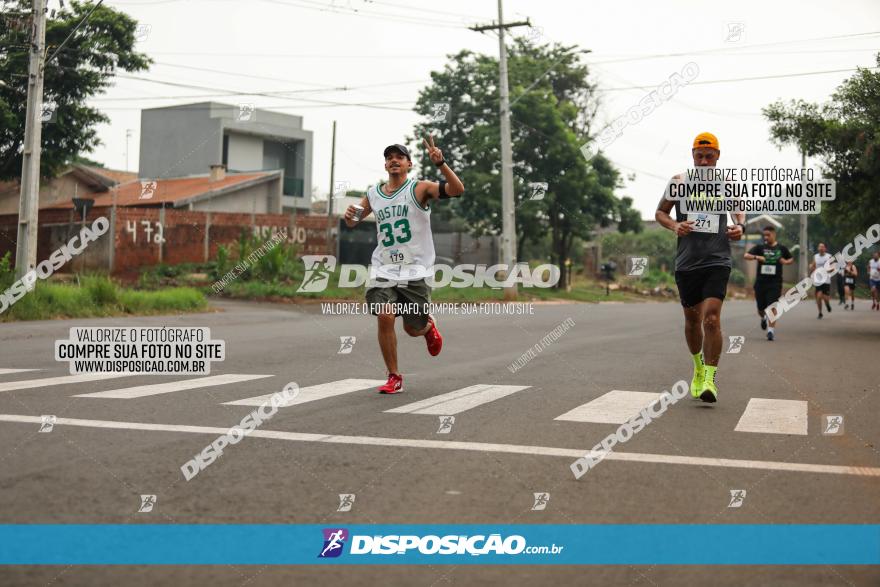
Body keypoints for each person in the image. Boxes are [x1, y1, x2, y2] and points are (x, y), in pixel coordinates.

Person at [343, 137, 465, 394]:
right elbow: (354, 221)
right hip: (384, 267)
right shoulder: (374, 194)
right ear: (385, 165)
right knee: (385, 315)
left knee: (412, 329)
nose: (394, 160)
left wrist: (441, 163)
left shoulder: (419, 189)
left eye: (399, 157)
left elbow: (457, 190)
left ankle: (428, 327)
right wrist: (349, 215)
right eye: (389, 157)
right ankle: (394, 376)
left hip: (415, 269)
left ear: (409, 164)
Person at [655, 132, 745, 403]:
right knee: (693, 321)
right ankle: (697, 367)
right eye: (699, 156)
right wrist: (674, 225)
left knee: (712, 318)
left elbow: (739, 210)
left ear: (718, 156)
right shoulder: (679, 182)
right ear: (692, 156)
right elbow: (660, 213)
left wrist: (740, 226)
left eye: (709, 156)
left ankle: (710, 378)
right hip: (687, 263)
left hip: (717, 260)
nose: (704, 162)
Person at [744, 225, 793, 340]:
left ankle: (770, 331)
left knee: (772, 306)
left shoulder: (782, 248)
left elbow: (791, 259)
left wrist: (785, 261)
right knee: (761, 309)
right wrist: (757, 257)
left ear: (774, 234)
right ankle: (763, 318)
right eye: (764, 235)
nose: (766, 237)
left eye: (768, 235)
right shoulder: (760, 248)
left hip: (775, 283)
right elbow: (746, 255)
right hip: (761, 282)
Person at [809, 242, 834, 319]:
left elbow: (833, 267)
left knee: (825, 297)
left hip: (826, 280)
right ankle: (820, 313)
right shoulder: (815, 256)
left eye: (822, 247)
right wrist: (811, 267)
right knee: (819, 296)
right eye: (820, 247)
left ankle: (827, 305)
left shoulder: (829, 256)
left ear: (825, 249)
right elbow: (813, 265)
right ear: (818, 248)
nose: (821, 248)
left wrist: (829, 270)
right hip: (818, 279)